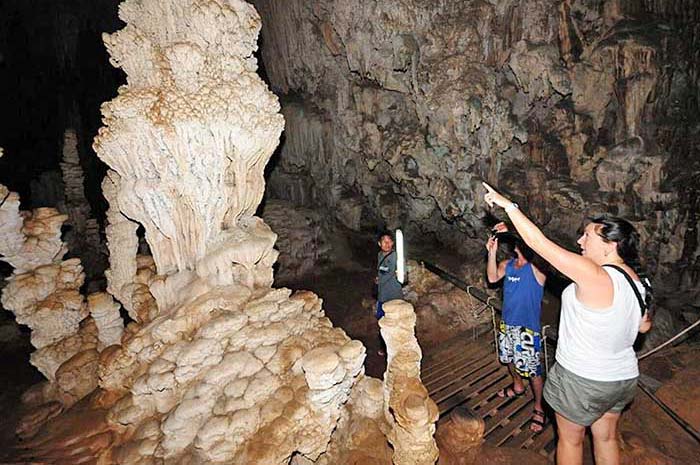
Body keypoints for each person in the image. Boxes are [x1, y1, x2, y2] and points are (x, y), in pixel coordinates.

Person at [483, 182, 652, 465]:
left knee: (570, 441)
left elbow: (540, 245)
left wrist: (508, 206)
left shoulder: (594, 273)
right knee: (607, 438)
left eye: (587, 236)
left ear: (610, 246)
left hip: (583, 378)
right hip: (620, 379)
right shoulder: (637, 282)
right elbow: (643, 327)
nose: (580, 242)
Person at [486, 223, 547, 433]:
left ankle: (539, 407)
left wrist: (510, 226)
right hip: (507, 323)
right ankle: (517, 385)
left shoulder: (538, 269)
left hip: (527, 329)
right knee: (509, 359)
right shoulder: (508, 265)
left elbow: (536, 240)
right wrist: (492, 253)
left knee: (533, 370)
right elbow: (492, 278)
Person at [375, 231, 403, 354]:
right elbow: (382, 272)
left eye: (389, 241)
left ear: (392, 243)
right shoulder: (380, 255)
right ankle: (385, 347)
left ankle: (397, 348)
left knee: (395, 322)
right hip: (382, 295)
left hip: (393, 295)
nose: (386, 244)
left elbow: (396, 273)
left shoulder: (396, 257)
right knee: (382, 322)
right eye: (384, 241)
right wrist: (378, 278)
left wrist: (379, 280)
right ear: (379, 243)